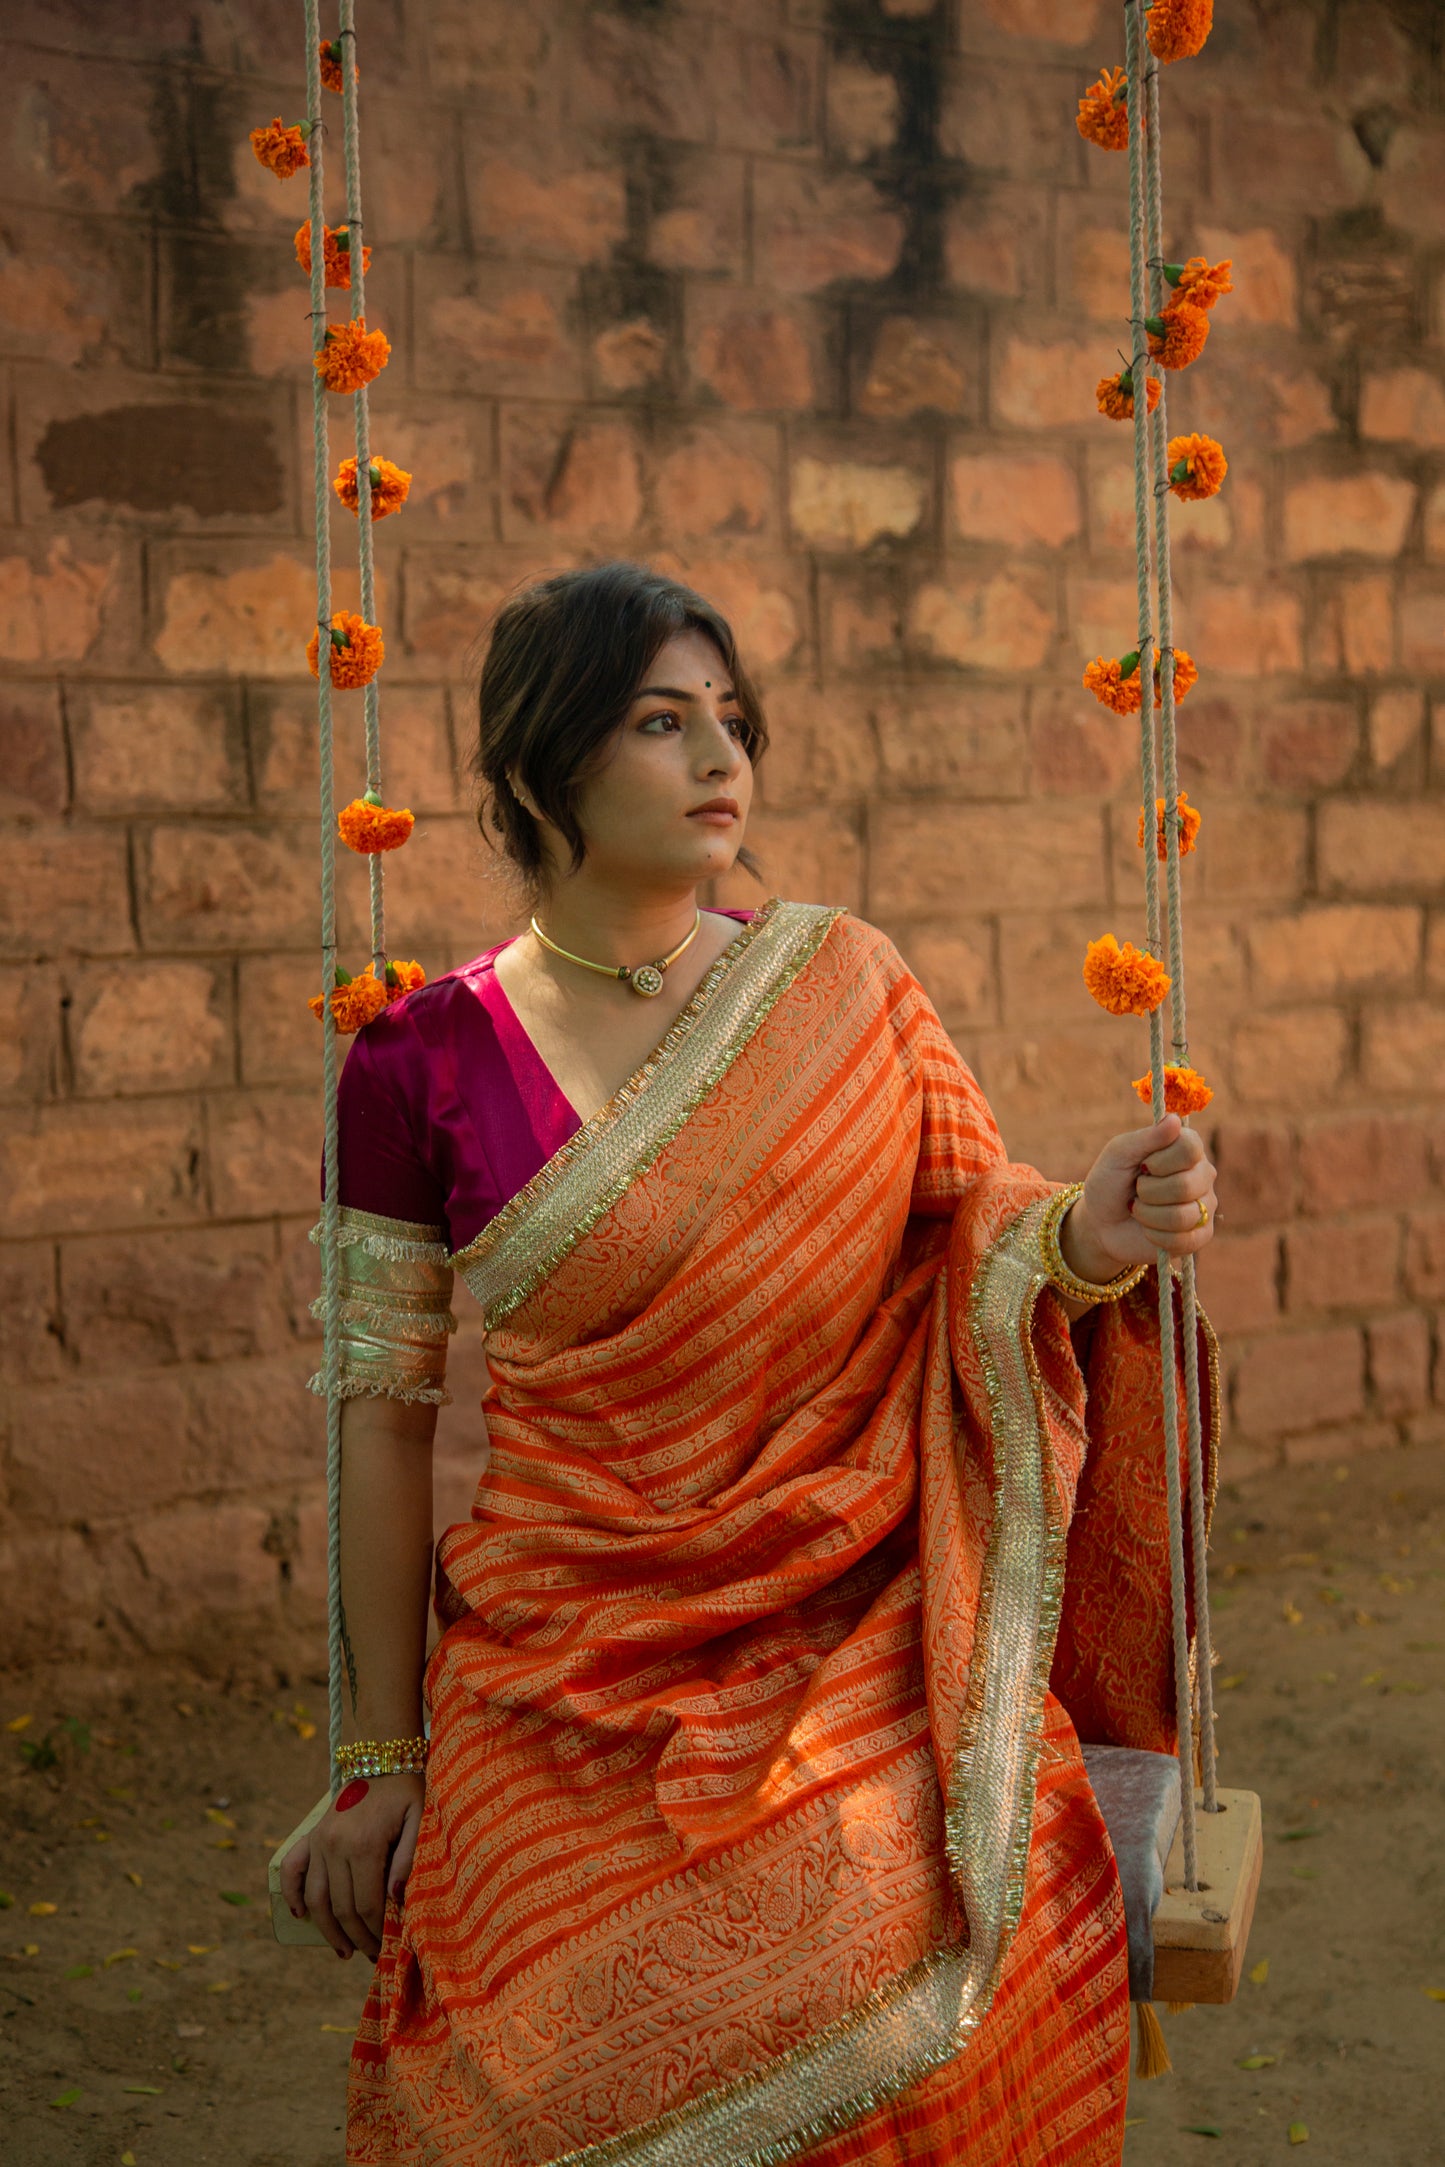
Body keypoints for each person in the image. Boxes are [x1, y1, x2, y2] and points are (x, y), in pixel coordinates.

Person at [281, 561, 1218, 2167]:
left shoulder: (842, 985)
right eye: (662, 721)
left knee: (893, 1924)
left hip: (845, 1616)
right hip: (558, 1656)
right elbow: (382, 1423)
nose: (722, 757)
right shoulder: (415, 1062)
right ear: (541, 762)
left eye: (730, 719)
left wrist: (1094, 1233)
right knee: (525, 2058)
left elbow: (973, 1241)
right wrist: (377, 1762)